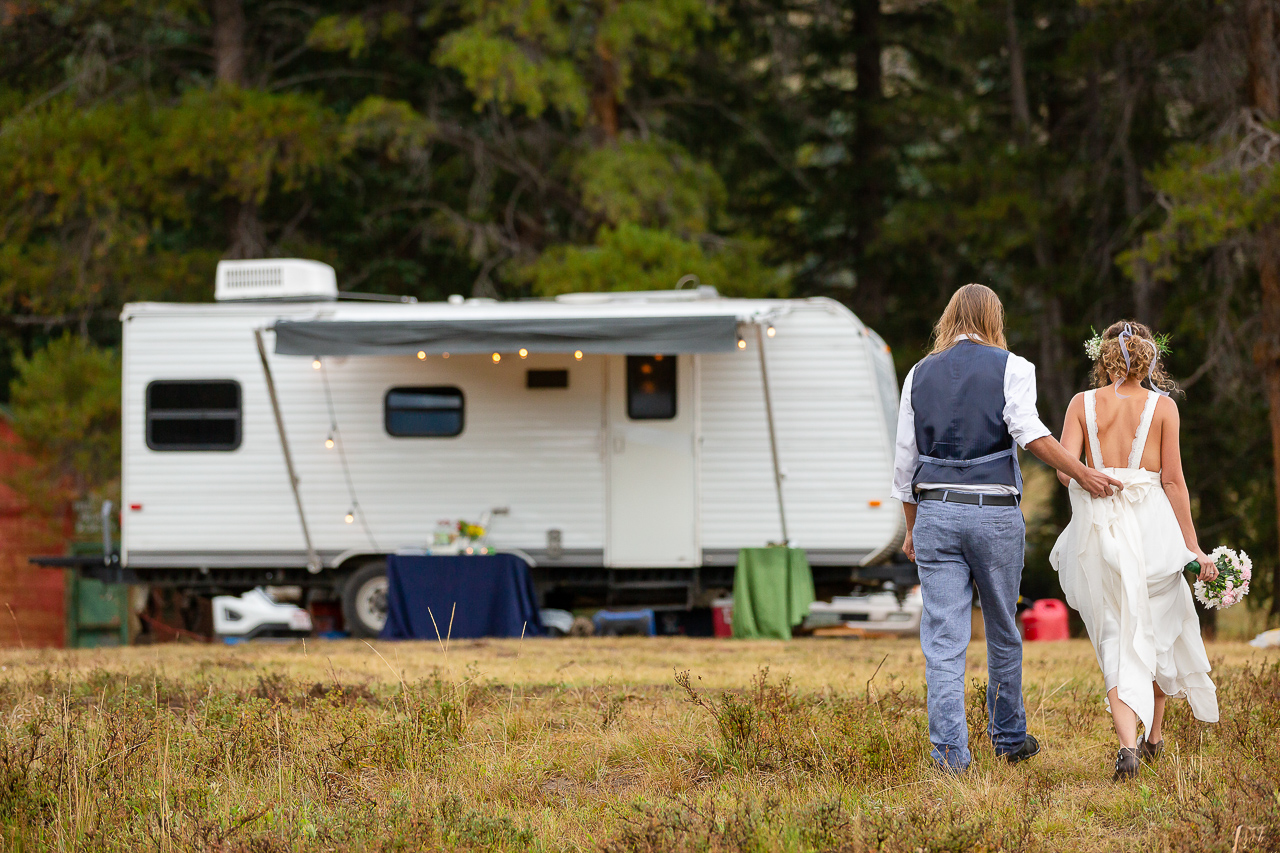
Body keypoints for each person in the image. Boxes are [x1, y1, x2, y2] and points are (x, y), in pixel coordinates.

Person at [891, 284, 1123, 774]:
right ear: (993, 317)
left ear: (949, 318)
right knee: (1002, 628)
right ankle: (1010, 738)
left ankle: (951, 757)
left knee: (943, 640)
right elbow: (1028, 430)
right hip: (994, 514)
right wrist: (1081, 472)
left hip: (935, 513)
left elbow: (904, 464)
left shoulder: (917, 374)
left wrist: (912, 529)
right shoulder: (1012, 366)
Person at [1049, 320, 1218, 781]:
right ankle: (1154, 738)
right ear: (1150, 358)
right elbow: (1173, 481)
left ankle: (1130, 746)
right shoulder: (1164, 408)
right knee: (1157, 627)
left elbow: (1065, 471)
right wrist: (1192, 545)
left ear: (1101, 356)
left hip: (1102, 529)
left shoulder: (1081, 405)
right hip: (1151, 529)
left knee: (1114, 633)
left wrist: (1090, 476)